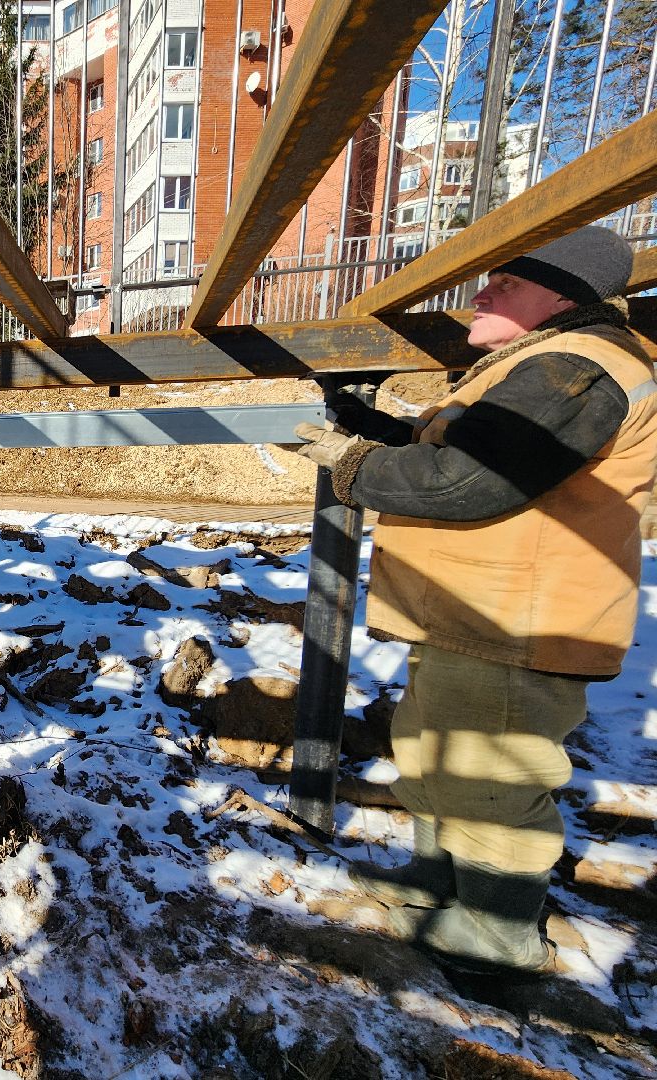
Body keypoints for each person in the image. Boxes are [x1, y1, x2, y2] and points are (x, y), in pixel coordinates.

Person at [292, 226, 656, 976]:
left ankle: (496, 938)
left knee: (493, 777)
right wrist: (368, 428)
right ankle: (436, 887)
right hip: (478, 615)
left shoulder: (576, 367)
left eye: (507, 283)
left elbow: (466, 482)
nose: (481, 293)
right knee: (435, 753)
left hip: (521, 620)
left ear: (563, 296)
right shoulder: (539, 365)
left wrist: (355, 467)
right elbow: (466, 452)